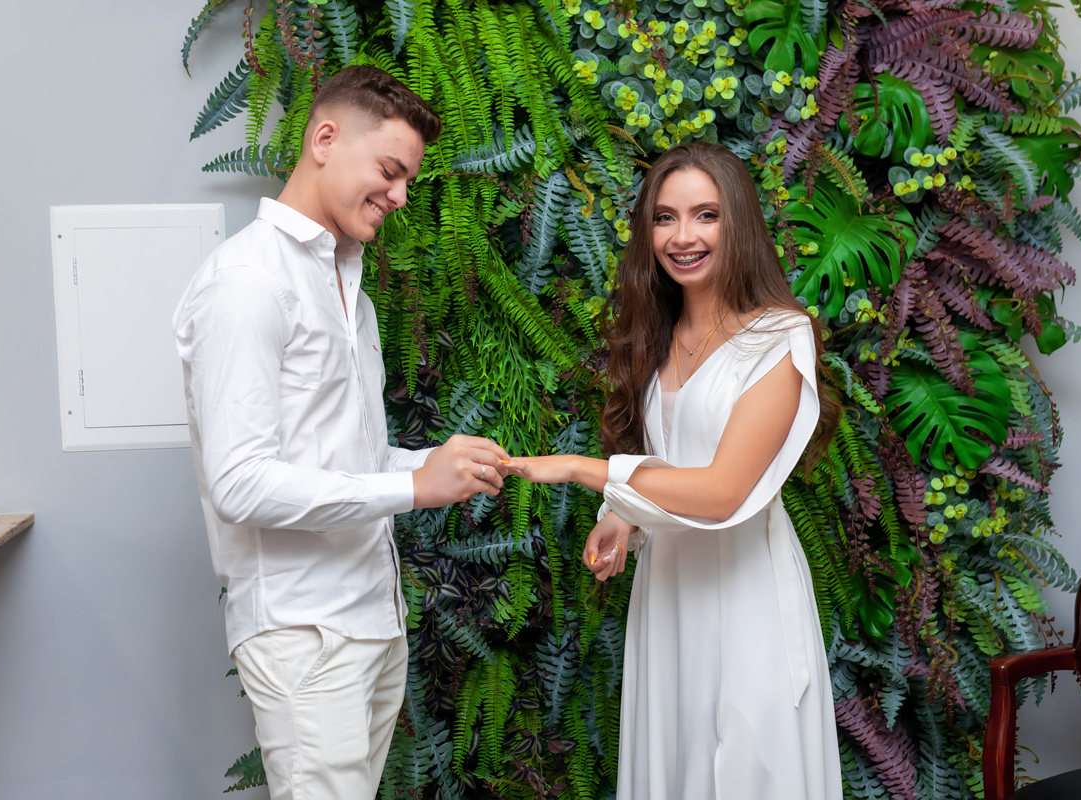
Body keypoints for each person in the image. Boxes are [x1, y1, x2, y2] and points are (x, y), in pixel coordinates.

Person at [173, 66, 511, 800]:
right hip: (305, 633)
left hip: (370, 623)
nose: (400, 195)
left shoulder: (347, 283)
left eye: (407, 180)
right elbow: (240, 483)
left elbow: (351, 458)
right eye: (389, 171)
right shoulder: (247, 283)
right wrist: (415, 488)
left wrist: (438, 464)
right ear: (325, 139)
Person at [507, 142, 843, 800]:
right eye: (665, 217)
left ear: (739, 223)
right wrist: (622, 519)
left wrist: (583, 470)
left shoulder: (779, 338)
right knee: (673, 762)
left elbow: (721, 492)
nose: (683, 236)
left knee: (746, 770)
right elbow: (670, 455)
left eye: (706, 215)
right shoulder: (653, 336)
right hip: (667, 594)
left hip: (746, 595)